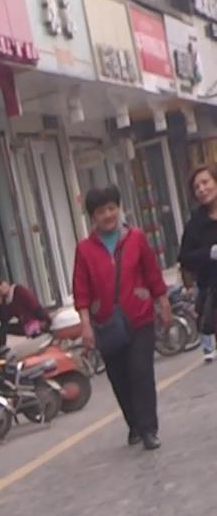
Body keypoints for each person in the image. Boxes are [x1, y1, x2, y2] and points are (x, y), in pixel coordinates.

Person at [74, 183, 171, 451]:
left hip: (139, 316)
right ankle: (134, 424)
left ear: (119, 208)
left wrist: (163, 302)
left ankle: (149, 429)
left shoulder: (136, 237)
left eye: (111, 208)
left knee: (141, 372)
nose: (108, 215)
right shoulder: (84, 249)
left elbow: (152, 273)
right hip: (106, 322)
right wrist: (85, 324)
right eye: (101, 211)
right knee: (119, 376)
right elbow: (81, 290)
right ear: (92, 217)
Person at [178, 164, 217, 367]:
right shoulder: (195, 223)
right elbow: (185, 257)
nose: (202, 189)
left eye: (205, 182)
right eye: (196, 187)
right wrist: (209, 253)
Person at [0, 268, 50, 349]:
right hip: (25, 325)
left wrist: (46, 321)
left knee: (36, 332)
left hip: (35, 321)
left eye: (1, 284)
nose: (0, 288)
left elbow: (35, 306)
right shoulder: (6, 300)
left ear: (6, 283)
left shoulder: (19, 290)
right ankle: (1, 351)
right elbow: (4, 321)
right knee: (1, 329)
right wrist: (0, 305)